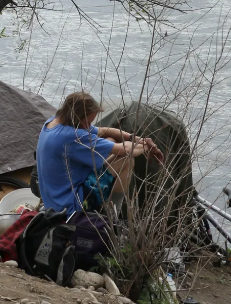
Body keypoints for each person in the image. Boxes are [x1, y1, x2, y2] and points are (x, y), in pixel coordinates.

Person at [36, 91, 164, 214]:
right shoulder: (72, 136)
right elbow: (125, 150)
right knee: (126, 159)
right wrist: (147, 147)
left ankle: (107, 205)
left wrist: (134, 138)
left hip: (54, 200)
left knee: (110, 140)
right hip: (71, 206)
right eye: (87, 122)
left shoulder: (53, 122)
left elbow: (103, 131)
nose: (89, 126)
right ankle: (114, 213)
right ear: (76, 116)